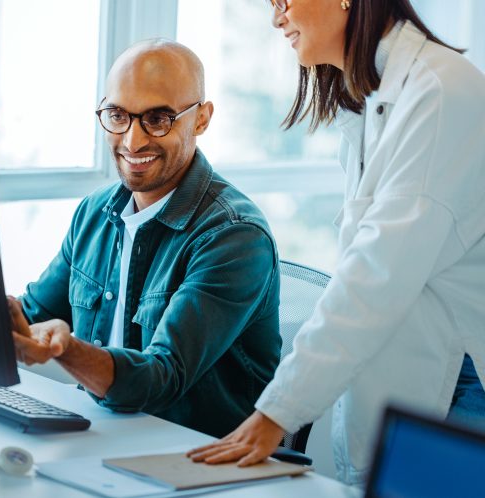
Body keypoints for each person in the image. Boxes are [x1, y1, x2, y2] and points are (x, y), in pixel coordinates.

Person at [188, 0, 485, 485]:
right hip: (418, 381)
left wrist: (277, 412)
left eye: (283, 0)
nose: (275, 17)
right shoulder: (375, 100)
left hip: (458, 389)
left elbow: (375, 274)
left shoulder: (439, 91)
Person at [8, 39, 282, 438]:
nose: (133, 141)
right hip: (103, 441)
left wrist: (66, 349)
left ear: (201, 119)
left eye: (157, 119)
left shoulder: (234, 236)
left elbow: (161, 379)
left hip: (194, 461)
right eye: (118, 115)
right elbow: (31, 316)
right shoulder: (95, 213)